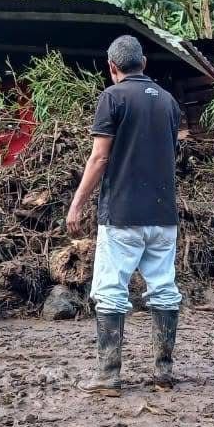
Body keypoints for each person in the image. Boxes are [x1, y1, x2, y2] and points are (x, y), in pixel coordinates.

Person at [67, 35, 183, 396]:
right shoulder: (168, 101)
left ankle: (108, 375)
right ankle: (163, 372)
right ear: (144, 64)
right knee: (163, 289)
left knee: (111, 291)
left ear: (113, 68)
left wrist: (77, 203)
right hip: (164, 214)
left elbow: (100, 157)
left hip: (123, 213)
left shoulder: (112, 97)